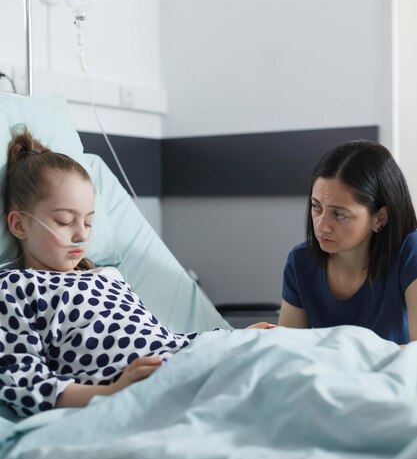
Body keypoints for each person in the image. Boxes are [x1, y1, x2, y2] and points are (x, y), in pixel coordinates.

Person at [0, 128, 271, 418]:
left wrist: (230, 339)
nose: (81, 235)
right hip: (142, 387)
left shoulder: (108, 277)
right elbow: (21, 381)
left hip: (187, 361)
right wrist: (113, 392)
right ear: (18, 225)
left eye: (89, 223)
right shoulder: (15, 287)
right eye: (65, 221)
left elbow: (164, 339)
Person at [278, 139, 417, 345]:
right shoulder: (300, 261)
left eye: (340, 214)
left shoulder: (410, 252)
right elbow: (284, 351)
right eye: (316, 207)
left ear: (379, 218)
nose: (321, 226)